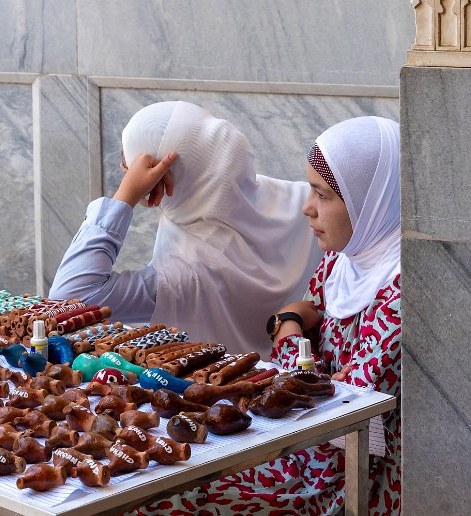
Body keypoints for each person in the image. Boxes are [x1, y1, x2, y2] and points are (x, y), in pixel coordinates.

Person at [133, 116, 402, 515]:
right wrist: (292, 322)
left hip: (343, 475)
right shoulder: (345, 259)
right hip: (300, 443)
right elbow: (308, 318)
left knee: (174, 501)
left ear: (371, 200)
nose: (307, 209)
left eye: (323, 195)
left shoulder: (400, 290)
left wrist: (289, 329)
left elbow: (337, 395)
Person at [49, 101, 322, 355]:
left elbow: (69, 296)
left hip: (225, 400)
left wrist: (125, 197)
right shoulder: (308, 204)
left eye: (129, 169)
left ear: (158, 180)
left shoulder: (183, 277)